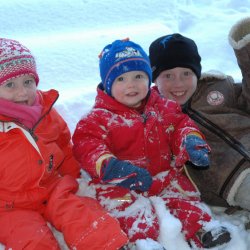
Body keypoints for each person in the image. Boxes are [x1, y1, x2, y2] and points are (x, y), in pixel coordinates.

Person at [72, 38, 231, 249]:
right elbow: (87, 146)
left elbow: (182, 125)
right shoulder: (97, 118)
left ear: (149, 78)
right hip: (119, 185)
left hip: (164, 177)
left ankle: (204, 228)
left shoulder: (163, 106)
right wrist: (111, 167)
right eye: (121, 79)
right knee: (127, 209)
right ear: (108, 84)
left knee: (185, 197)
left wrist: (191, 142)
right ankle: (142, 242)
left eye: (138, 76)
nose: (131, 84)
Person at [0, 37, 128, 250]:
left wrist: (74, 174)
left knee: (80, 213)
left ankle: (109, 245)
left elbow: (64, 146)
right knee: (30, 239)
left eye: (28, 82)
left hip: (51, 188)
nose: (22, 92)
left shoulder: (46, 111)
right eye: (10, 85)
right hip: (9, 205)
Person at [148, 16, 250, 212]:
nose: (178, 83)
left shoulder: (220, 87)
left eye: (186, 73)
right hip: (234, 180)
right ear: (154, 80)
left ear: (197, 72)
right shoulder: (154, 116)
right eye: (168, 75)